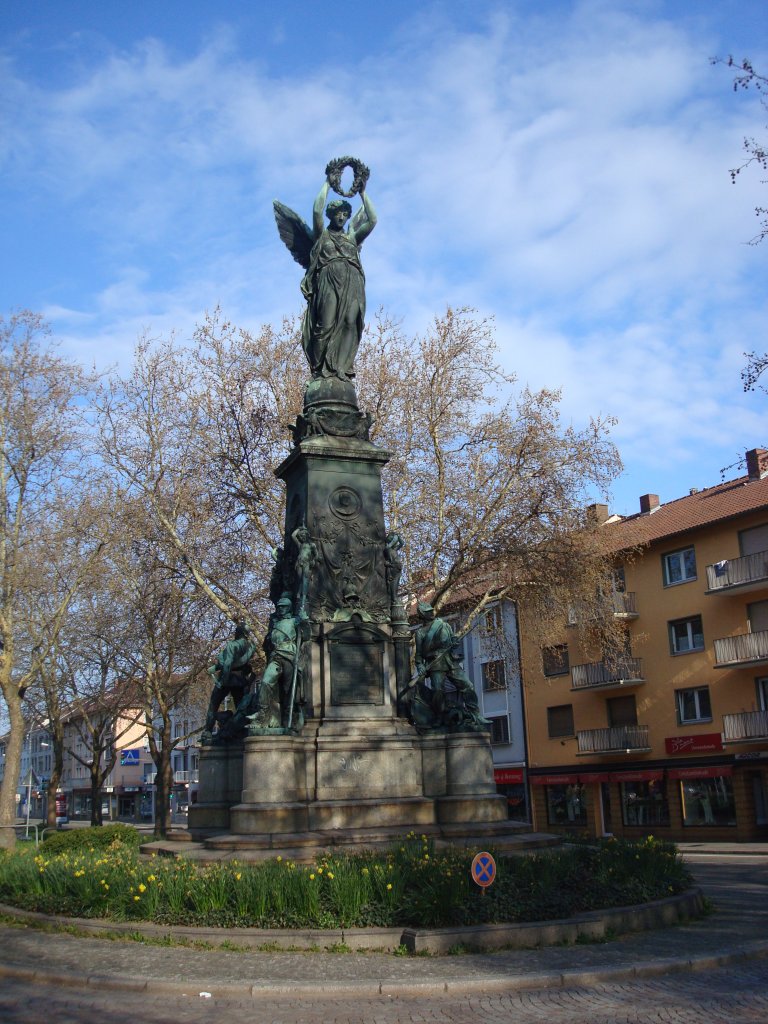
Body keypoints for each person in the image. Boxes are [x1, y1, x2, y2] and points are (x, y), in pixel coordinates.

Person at [299, 181, 377, 380]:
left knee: (351, 322)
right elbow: (317, 211)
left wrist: (362, 192)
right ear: (331, 215)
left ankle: (341, 368)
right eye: (337, 213)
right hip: (329, 279)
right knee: (325, 324)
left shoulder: (352, 238)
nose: (341, 217)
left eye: (344, 214)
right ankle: (319, 371)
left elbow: (373, 219)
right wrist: (327, 182)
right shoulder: (322, 236)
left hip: (353, 281)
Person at [413, 602, 485, 722]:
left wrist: (455, 642)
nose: (431, 613)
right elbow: (419, 654)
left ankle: (475, 714)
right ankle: (440, 718)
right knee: (438, 692)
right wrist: (419, 665)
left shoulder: (443, 625)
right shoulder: (420, 633)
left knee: (468, 686)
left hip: (450, 661)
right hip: (435, 664)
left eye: (431, 611)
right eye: (427, 612)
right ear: (422, 615)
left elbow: (452, 642)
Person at [249, 596, 307, 731]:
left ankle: (290, 719)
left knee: (288, 690)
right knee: (265, 682)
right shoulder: (275, 622)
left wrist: (304, 622)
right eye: (279, 606)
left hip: (289, 656)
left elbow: (307, 636)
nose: (280, 609)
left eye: (283, 606)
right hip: (276, 656)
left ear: (289, 608)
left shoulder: (295, 620)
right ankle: (263, 715)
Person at [203, 622, 258, 737]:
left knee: (213, 704)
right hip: (240, 679)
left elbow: (228, 664)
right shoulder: (251, 645)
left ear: (239, 632)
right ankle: (240, 730)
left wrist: (222, 681)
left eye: (236, 630)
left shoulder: (232, 645)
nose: (234, 632)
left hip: (228, 678)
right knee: (240, 707)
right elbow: (239, 662)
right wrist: (215, 667)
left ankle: (207, 731)